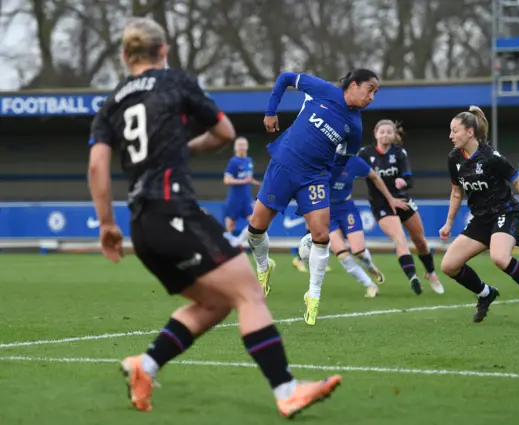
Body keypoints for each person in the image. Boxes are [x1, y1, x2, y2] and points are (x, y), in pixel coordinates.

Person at [87, 17, 341, 417]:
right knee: (249, 293)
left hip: (142, 224)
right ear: (164, 52)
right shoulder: (175, 83)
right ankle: (286, 389)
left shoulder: (111, 102)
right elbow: (224, 131)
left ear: (124, 56)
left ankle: (145, 366)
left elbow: (97, 167)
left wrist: (106, 225)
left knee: (215, 303)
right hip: (174, 210)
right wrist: (182, 149)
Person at [247, 68, 380, 326]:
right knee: (255, 229)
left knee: (321, 236)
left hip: (314, 178)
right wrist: (271, 111)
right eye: (370, 89)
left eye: (376, 93)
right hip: (284, 165)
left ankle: (314, 295)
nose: (372, 97)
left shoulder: (355, 126)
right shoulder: (324, 90)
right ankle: (264, 267)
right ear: (354, 85)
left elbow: (344, 160)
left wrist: (328, 179)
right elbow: (285, 77)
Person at [439, 106, 519, 328]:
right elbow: (456, 192)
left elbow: (517, 182)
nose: (450, 135)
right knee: (448, 266)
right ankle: (485, 293)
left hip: (506, 212)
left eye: (455, 131)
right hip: (481, 218)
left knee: (500, 258)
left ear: (470, 132)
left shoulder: (491, 157)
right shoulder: (454, 158)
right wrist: (448, 223)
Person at [358, 120, 444, 296]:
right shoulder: (365, 153)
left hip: (402, 201)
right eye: (382, 132)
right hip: (381, 205)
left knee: (420, 240)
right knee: (400, 239)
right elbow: (350, 168)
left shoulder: (399, 153)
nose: (385, 135)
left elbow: (410, 180)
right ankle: (413, 277)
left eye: (389, 132)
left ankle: (431, 273)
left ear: (394, 135)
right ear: (375, 133)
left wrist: (403, 181)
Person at [329, 153, 409, 297]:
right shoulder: (320, 160)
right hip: (326, 212)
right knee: (342, 255)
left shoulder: (354, 162)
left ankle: (370, 266)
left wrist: (390, 198)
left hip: (346, 209)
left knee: (359, 251)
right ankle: (369, 285)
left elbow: (374, 176)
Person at [223, 136, 260, 245]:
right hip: (235, 198)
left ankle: (239, 241)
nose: (242, 147)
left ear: (247, 146)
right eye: (239, 145)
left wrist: (257, 183)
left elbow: (248, 178)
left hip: (247, 198)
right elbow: (227, 180)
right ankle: (227, 249)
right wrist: (243, 181)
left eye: (243, 145)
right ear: (235, 148)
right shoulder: (233, 162)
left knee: (255, 221)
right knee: (230, 226)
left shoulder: (249, 161)